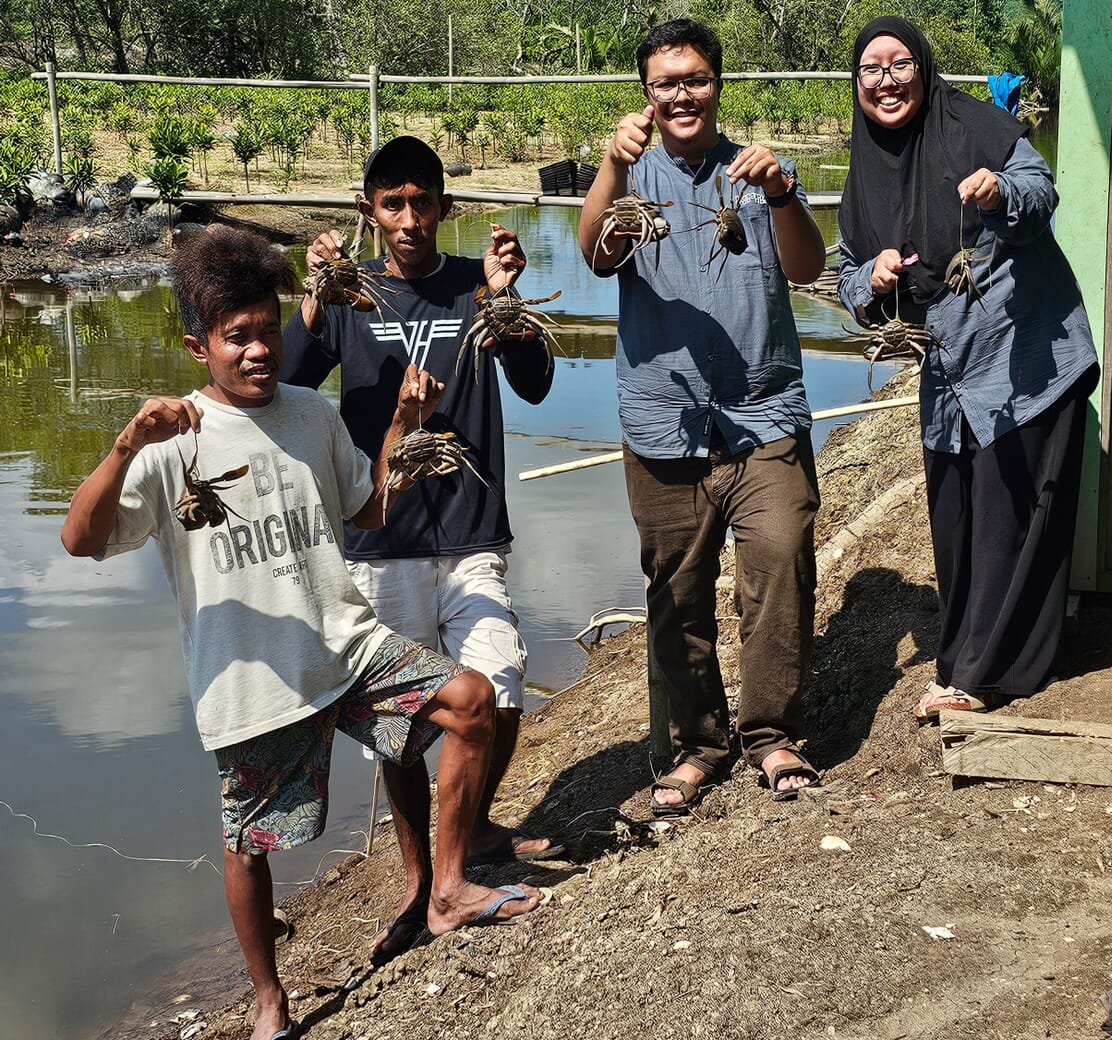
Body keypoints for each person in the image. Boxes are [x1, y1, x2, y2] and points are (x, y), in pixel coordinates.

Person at [60, 227, 541, 1040]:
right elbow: (80, 539)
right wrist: (122, 446)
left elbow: (369, 508)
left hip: (346, 647)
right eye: (234, 338)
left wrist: (401, 421)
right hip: (252, 682)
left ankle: (447, 888)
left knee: (471, 701)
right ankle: (269, 999)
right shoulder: (168, 439)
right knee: (250, 845)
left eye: (264, 330)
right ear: (197, 346)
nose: (256, 352)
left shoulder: (314, 414)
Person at [282, 135, 563, 961]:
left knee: (500, 683)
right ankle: (420, 882)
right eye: (391, 204)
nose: (408, 219)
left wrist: (507, 305)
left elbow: (539, 382)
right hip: (381, 540)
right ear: (370, 211)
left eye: (422, 202)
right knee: (397, 726)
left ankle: (465, 836)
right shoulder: (349, 294)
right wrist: (309, 295)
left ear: (446, 207)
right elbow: (288, 385)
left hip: (472, 530)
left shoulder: (478, 282)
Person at [577, 18, 828, 814]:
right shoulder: (630, 176)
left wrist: (783, 191)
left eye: (695, 79)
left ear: (718, 84)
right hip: (662, 420)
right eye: (666, 83)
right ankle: (695, 746)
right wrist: (611, 170)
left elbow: (809, 266)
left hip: (763, 414)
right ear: (646, 95)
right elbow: (593, 253)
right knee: (676, 592)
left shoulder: (759, 172)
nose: (682, 94)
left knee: (779, 561)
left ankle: (771, 734)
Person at [835, 16, 1100, 721]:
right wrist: (871, 278)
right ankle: (966, 657)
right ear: (855, 84)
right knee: (956, 519)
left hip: (1025, 358)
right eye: (870, 69)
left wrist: (998, 193)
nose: (886, 80)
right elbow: (842, 272)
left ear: (923, 67)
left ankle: (985, 676)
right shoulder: (864, 169)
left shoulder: (976, 125)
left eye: (899, 65)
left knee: (1010, 517)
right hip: (947, 373)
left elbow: (1039, 190)